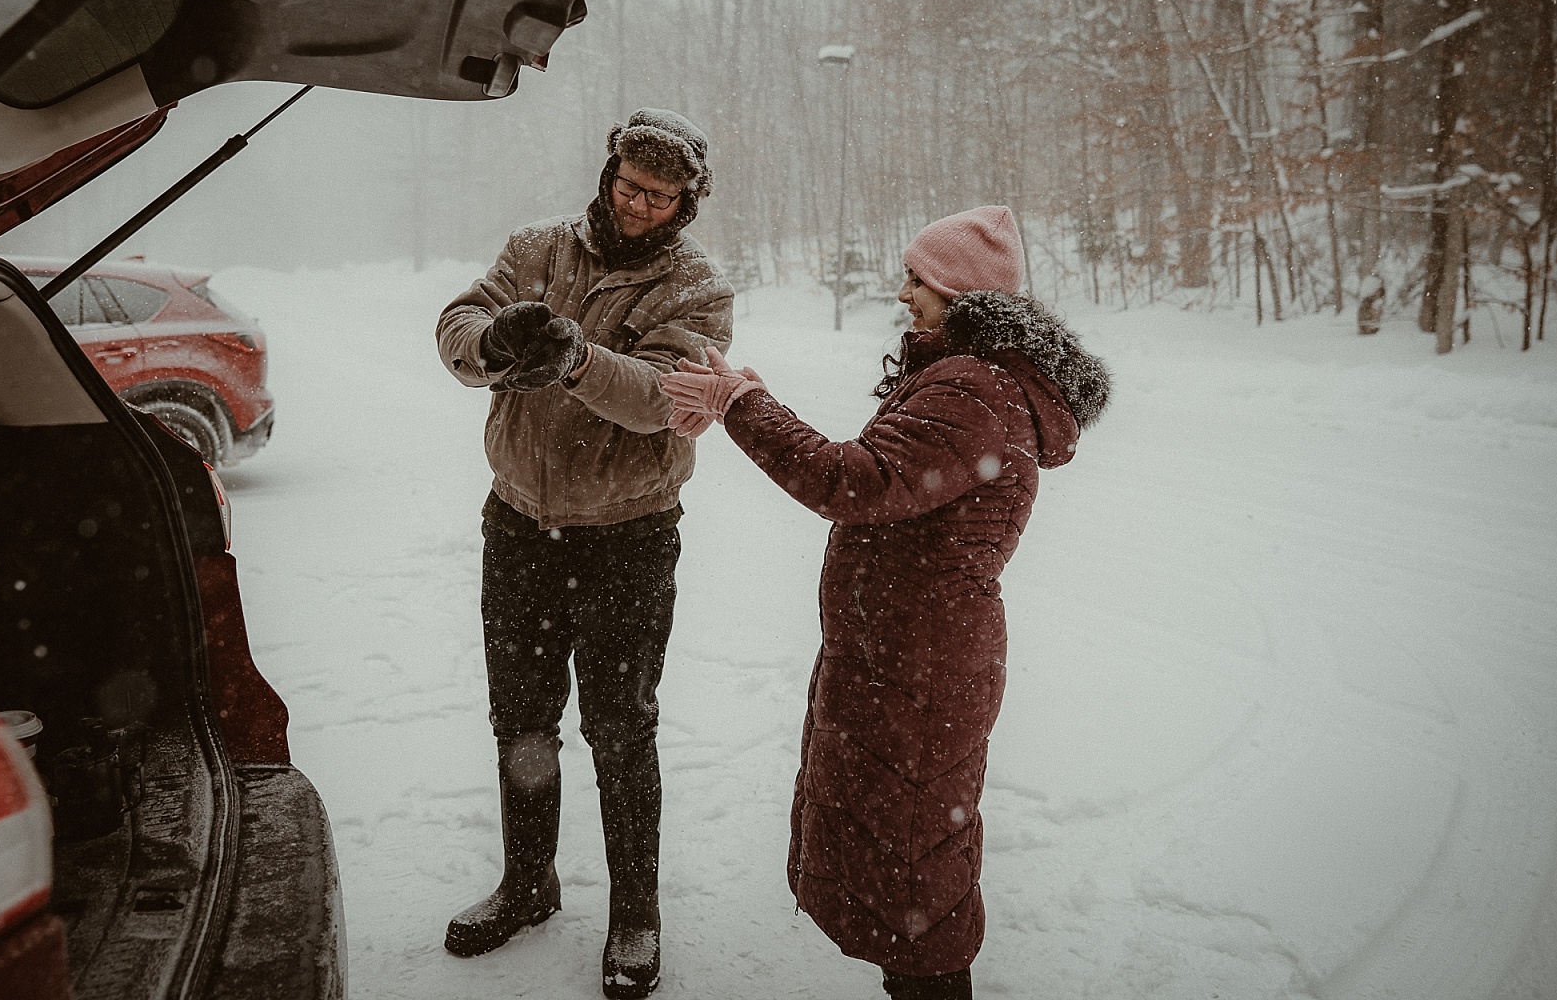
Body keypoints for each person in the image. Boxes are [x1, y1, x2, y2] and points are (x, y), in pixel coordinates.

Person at [660, 206, 1109, 1000]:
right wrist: (753, 399)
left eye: (918, 280)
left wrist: (741, 407)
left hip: (918, 669)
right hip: (910, 658)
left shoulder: (972, 389)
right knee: (911, 855)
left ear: (961, 295)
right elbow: (884, 472)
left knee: (915, 873)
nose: (903, 293)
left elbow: (850, 483)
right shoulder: (974, 381)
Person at [434, 108, 734, 999]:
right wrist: (490, 343)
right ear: (607, 175)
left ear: (685, 204)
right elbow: (460, 318)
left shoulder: (698, 289)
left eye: (660, 195)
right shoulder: (537, 248)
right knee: (522, 718)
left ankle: (635, 913)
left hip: (628, 540)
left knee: (619, 727)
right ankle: (528, 884)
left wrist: (573, 358)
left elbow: (659, 399)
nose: (638, 204)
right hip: (520, 524)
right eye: (628, 185)